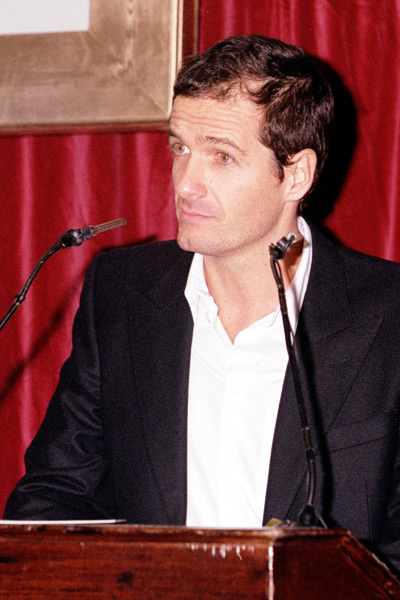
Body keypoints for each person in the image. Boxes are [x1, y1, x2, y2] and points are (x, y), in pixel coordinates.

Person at [4, 34, 400, 576]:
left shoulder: (388, 316)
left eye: (222, 156)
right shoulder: (121, 293)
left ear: (297, 175)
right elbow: (55, 497)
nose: (187, 183)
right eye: (180, 148)